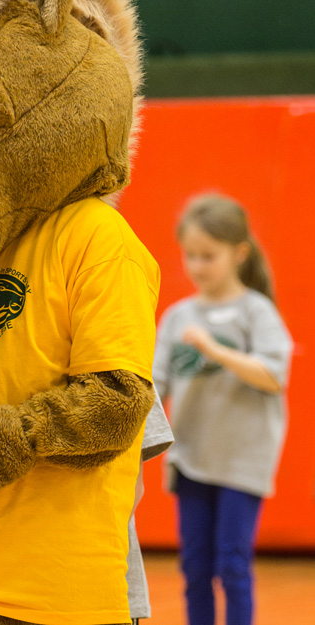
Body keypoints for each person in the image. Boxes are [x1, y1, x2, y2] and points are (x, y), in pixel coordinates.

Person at [153, 193, 293, 625]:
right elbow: (156, 384)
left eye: (208, 256)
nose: (197, 266)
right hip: (192, 461)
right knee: (195, 569)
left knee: (232, 566)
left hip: (241, 463)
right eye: (190, 255)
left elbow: (274, 375)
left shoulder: (256, 312)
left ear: (239, 252)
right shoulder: (178, 318)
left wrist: (214, 349)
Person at [126, 396, 175, 624]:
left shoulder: (126, 363)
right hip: (17, 584)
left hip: (107, 578)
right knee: (198, 571)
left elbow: (130, 488)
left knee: (230, 564)